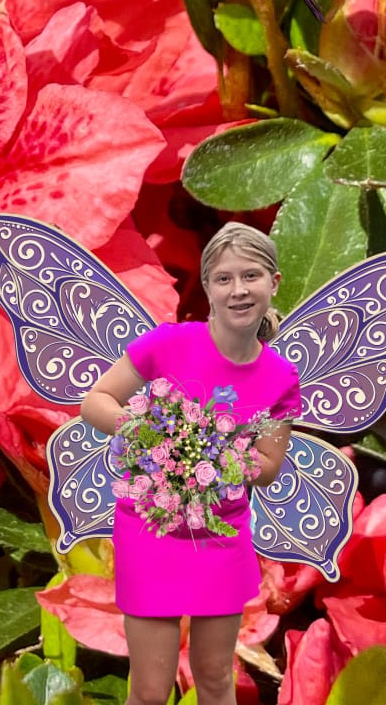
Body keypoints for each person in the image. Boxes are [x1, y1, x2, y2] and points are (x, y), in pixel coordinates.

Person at [80, 222, 301, 705]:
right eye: (224, 278)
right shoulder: (168, 344)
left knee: (216, 679)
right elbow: (95, 401)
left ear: (274, 283)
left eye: (252, 276)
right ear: (206, 287)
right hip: (149, 531)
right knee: (151, 690)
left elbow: (269, 466)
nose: (239, 290)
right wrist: (148, 431)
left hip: (220, 538)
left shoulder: (281, 378)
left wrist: (218, 454)